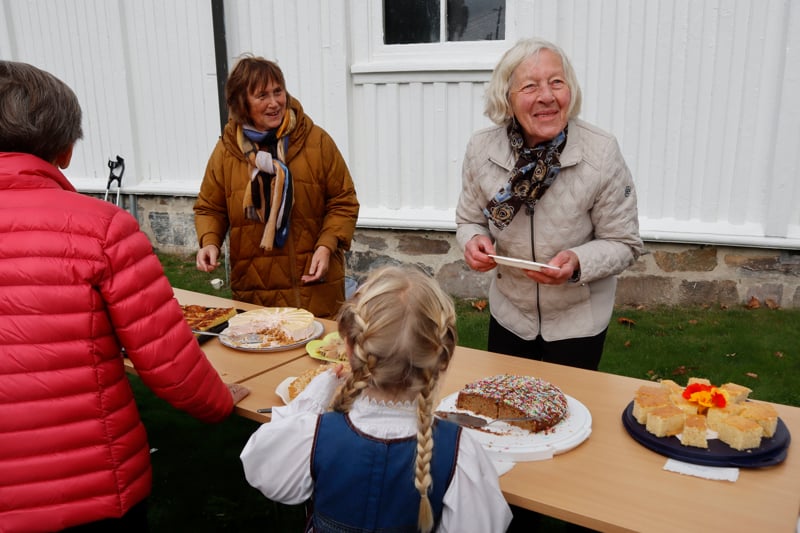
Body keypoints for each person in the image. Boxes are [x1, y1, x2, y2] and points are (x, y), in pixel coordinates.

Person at [0, 60, 249, 532]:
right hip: (90, 488)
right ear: (66, 149)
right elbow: (167, 359)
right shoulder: (102, 228)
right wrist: (219, 402)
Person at [240, 266, 512, 533]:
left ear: (347, 346)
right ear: (442, 357)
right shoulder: (460, 452)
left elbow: (260, 465)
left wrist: (313, 397)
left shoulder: (312, 435)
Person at [456, 37, 643, 371]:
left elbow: (624, 243)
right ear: (507, 98)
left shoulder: (601, 152)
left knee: (572, 415)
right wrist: (472, 241)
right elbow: (469, 220)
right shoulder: (481, 149)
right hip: (510, 316)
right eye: (530, 86)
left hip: (577, 322)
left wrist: (577, 261)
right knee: (506, 413)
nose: (547, 96)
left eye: (557, 82)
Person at [194, 55, 359, 319]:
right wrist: (210, 242)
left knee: (320, 357)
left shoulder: (316, 141)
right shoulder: (227, 151)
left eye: (278, 91)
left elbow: (343, 201)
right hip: (255, 291)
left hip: (312, 287)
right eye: (262, 95)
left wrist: (326, 245)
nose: (274, 103)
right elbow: (209, 207)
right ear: (242, 103)